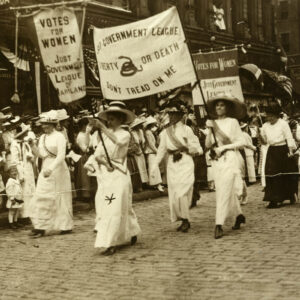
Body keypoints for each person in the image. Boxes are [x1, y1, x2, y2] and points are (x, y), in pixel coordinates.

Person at [90, 101, 141, 256]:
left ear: (120, 119)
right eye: (108, 119)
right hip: (107, 175)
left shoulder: (124, 134)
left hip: (120, 174)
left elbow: (118, 142)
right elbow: (97, 155)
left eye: (112, 119)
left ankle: (111, 242)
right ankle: (131, 231)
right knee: (109, 208)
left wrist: (103, 128)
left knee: (117, 207)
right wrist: (105, 163)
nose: (109, 122)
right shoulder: (104, 137)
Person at [153, 99, 202, 233]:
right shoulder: (165, 132)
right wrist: (154, 166)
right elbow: (161, 150)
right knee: (174, 194)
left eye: (175, 114)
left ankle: (186, 219)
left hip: (185, 161)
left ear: (181, 115)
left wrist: (188, 148)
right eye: (170, 114)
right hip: (172, 164)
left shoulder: (187, 130)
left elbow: (198, 148)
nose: (172, 117)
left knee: (182, 191)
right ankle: (182, 218)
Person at [205, 93, 247, 239]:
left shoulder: (233, 122)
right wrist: (210, 131)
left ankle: (219, 224)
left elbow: (242, 142)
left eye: (222, 105)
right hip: (217, 161)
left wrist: (223, 148)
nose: (219, 107)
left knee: (223, 191)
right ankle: (239, 215)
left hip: (230, 158)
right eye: (217, 105)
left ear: (227, 108)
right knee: (224, 189)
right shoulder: (212, 123)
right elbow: (207, 145)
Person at [29, 111, 73, 238]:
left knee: (60, 196)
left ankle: (65, 225)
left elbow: (61, 156)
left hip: (58, 168)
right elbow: (42, 155)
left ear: (53, 124)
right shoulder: (42, 137)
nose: (44, 126)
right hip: (45, 168)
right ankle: (40, 226)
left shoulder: (59, 137)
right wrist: (32, 146)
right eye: (43, 124)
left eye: (47, 124)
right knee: (41, 195)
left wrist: (51, 168)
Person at [258, 104, 298, 208]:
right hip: (272, 151)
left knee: (283, 174)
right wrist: (259, 135)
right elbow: (264, 141)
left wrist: (291, 151)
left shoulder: (283, 124)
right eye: (268, 116)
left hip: (283, 150)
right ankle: (273, 199)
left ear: (277, 115)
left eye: (271, 116)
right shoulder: (265, 126)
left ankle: (289, 195)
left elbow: (289, 138)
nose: (269, 118)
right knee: (271, 173)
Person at [75, 118, 93, 205]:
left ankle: (92, 193)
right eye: (87, 125)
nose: (89, 127)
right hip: (85, 157)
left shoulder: (88, 134)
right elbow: (84, 148)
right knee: (85, 176)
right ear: (83, 126)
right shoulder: (80, 136)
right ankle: (86, 195)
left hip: (91, 155)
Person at [143, 116, 164, 192]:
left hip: (152, 152)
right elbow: (151, 144)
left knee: (155, 167)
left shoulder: (149, 132)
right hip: (151, 152)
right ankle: (156, 184)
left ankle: (156, 183)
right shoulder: (148, 132)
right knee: (153, 168)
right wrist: (157, 151)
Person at [130, 118, 149, 188]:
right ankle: (140, 183)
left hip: (141, 150)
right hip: (136, 151)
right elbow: (134, 142)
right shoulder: (132, 133)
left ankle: (145, 182)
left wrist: (143, 148)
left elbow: (143, 141)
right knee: (138, 167)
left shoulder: (140, 131)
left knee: (143, 166)